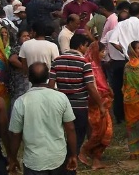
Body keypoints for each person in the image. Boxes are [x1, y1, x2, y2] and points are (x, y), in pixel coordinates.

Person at [9, 62, 78, 174]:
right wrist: (73, 155)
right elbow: (70, 128)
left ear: (29, 77)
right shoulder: (61, 97)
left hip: (34, 161)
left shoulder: (21, 102)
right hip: (58, 157)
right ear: (48, 77)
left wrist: (13, 158)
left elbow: (16, 134)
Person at [49, 34, 105, 163]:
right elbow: (90, 86)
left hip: (61, 104)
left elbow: (51, 84)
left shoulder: (57, 60)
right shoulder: (84, 62)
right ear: (80, 46)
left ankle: (62, 158)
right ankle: (71, 158)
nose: (86, 49)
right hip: (79, 105)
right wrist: (100, 104)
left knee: (61, 133)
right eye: (85, 46)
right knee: (78, 134)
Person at [81, 41, 113, 170]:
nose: (104, 54)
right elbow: (93, 87)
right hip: (96, 104)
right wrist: (102, 101)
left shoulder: (98, 66)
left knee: (102, 132)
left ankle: (96, 160)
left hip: (101, 103)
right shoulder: (91, 67)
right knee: (102, 132)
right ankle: (83, 151)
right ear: (95, 52)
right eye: (102, 51)